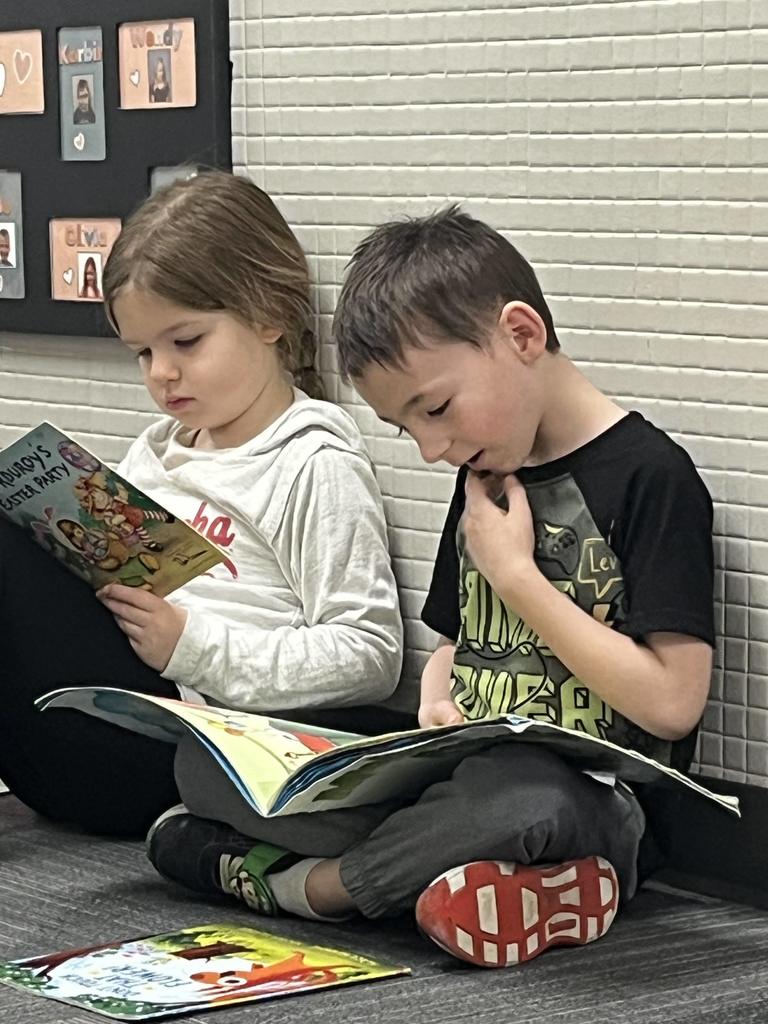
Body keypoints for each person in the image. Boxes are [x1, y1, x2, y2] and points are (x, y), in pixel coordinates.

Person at [147, 206, 715, 969]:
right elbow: (456, 643)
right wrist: (435, 702)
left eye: (436, 408)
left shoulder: (652, 476)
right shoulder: (482, 461)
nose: (431, 447)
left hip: (596, 802)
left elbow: (673, 704)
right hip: (456, 783)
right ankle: (495, 889)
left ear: (521, 335)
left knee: (522, 794)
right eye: (405, 426)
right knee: (206, 764)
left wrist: (519, 578)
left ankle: (318, 890)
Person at [0, 171, 402, 838]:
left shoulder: (311, 461)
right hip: (62, 753)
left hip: (186, 753)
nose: (162, 372)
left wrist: (192, 646)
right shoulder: (156, 453)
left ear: (269, 315)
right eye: (143, 352)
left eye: (186, 342)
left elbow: (369, 654)